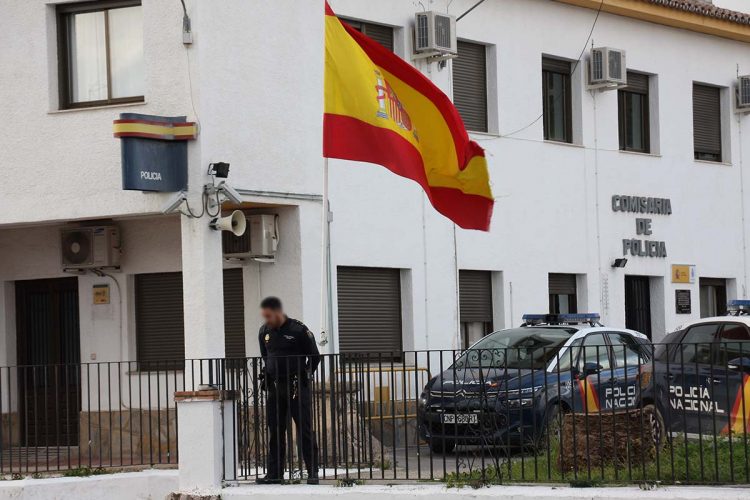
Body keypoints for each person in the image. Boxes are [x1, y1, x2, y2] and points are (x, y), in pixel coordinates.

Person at [256, 297, 320, 485]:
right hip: (275, 387)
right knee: (275, 431)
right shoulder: (264, 332)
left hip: (296, 385)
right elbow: (265, 357)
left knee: (304, 429)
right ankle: (275, 474)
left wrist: (305, 376)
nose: (267, 320)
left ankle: (312, 472)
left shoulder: (298, 330)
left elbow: (314, 357)